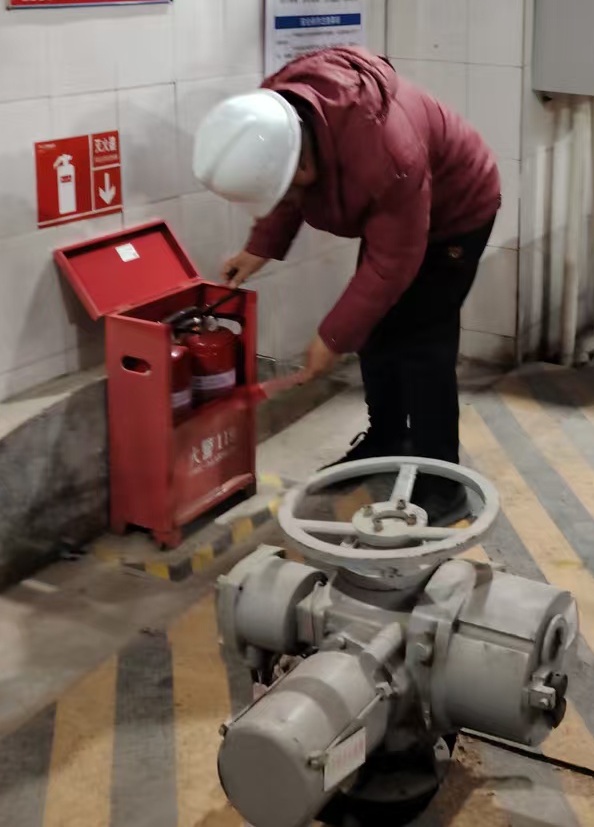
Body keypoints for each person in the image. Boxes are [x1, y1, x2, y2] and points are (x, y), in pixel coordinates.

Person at [192, 46, 500, 525]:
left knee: (423, 345)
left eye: (292, 187)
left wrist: (331, 338)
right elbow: (285, 187)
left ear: (301, 168)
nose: (290, 195)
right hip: (400, 216)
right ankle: (387, 438)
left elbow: (392, 264)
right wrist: (261, 247)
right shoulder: (282, 115)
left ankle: (443, 483)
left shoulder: (387, 153)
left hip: (455, 214)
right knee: (375, 328)